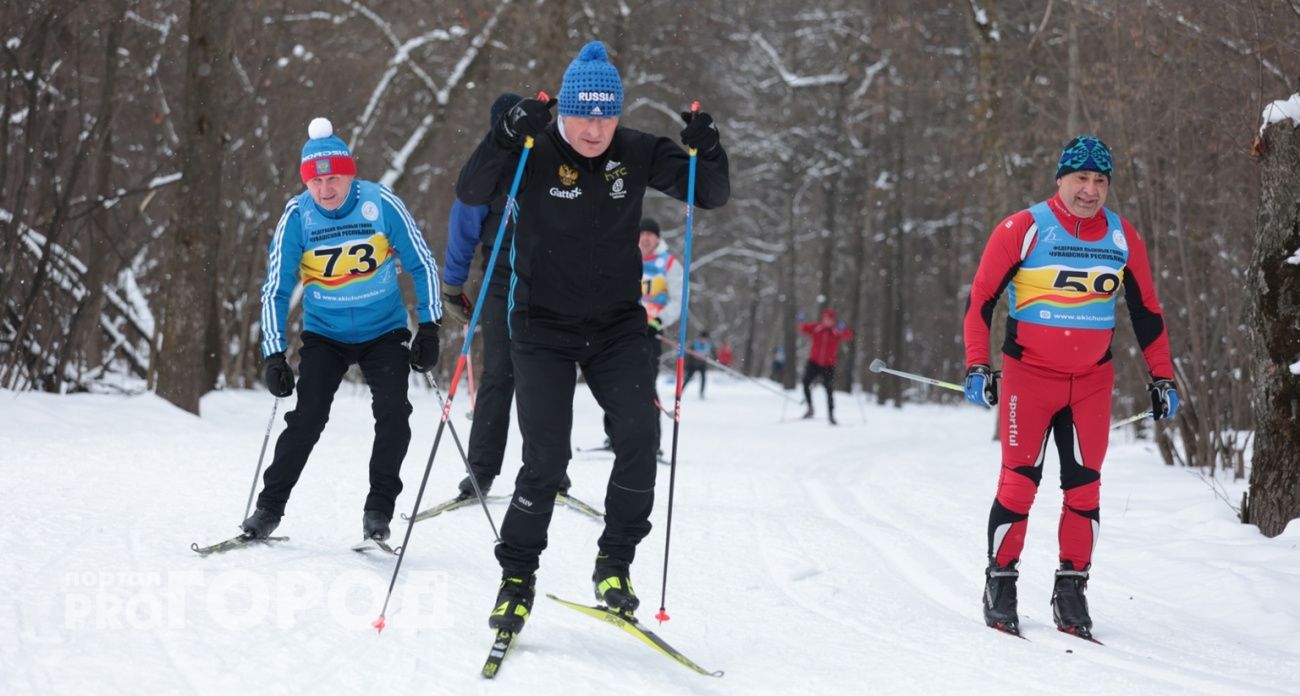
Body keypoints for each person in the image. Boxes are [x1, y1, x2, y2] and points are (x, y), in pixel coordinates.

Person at [455, 40, 729, 633]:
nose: (594, 128)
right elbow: (472, 191)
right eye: (583, 114)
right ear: (563, 110)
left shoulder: (635, 151)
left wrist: (710, 150)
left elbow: (710, 193)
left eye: (606, 115)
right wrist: (504, 133)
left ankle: (615, 562)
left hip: (616, 327)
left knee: (639, 433)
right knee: (546, 458)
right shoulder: (534, 146)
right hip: (542, 327)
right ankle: (516, 577)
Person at [963, 135, 1178, 638]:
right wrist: (977, 364)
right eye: (1081, 178)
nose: (1090, 190)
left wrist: (1162, 375)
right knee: (1019, 484)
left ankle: (1071, 588)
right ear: (1060, 179)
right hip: (1027, 378)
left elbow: (1147, 312)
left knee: (1085, 488)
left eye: (1100, 181)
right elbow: (981, 301)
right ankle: (1001, 581)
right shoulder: (1023, 228)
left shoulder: (1124, 238)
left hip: (1090, 382)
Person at [246, 117, 442, 543]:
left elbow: (421, 262)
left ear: (349, 173)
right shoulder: (297, 216)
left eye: (333, 178)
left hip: (384, 330)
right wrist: (274, 354)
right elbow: (275, 289)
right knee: (307, 417)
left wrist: (429, 326)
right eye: (315, 182)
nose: (325, 190)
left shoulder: (379, 203)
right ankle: (268, 509)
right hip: (325, 334)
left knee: (394, 414)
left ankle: (378, 511)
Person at [441, 94, 571, 501]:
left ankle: (551, 471)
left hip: (551, 276)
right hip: (501, 274)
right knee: (499, 372)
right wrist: (452, 287)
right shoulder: (488, 167)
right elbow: (463, 228)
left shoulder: (554, 160)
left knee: (547, 376)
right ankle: (481, 469)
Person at [601, 216, 682, 457]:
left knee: (644, 386)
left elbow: (678, 301)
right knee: (612, 383)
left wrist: (659, 321)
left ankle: (652, 442)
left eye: (650, 234)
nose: (645, 238)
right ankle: (614, 436)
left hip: (649, 332)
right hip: (622, 330)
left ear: (657, 238)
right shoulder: (626, 257)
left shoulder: (668, 264)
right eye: (642, 234)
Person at [799, 308, 852, 425]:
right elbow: (803, 328)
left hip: (828, 365)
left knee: (829, 389)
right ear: (823, 319)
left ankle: (831, 415)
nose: (828, 321)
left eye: (830, 319)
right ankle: (810, 408)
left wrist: (844, 330)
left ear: (833, 321)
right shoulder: (817, 328)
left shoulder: (836, 331)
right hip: (813, 362)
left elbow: (848, 336)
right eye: (826, 319)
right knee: (805, 382)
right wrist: (801, 321)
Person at [682, 329, 714, 398]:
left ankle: (701, 393)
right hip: (693, 364)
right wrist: (687, 365)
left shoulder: (708, 344)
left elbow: (710, 353)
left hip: (702, 365)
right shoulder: (695, 344)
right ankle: (680, 391)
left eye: (705, 338)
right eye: (702, 338)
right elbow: (689, 354)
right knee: (687, 378)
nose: (703, 340)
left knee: (703, 379)